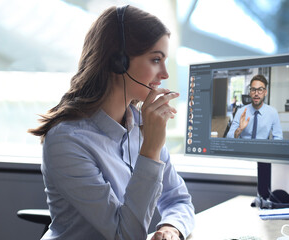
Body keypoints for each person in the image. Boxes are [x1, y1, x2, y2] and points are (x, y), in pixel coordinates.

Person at [28, 5, 194, 240]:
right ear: (119, 62)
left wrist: (170, 228)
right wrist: (151, 150)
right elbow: (125, 235)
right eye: (156, 59)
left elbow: (178, 200)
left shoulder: (141, 124)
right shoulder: (67, 140)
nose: (165, 74)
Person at [226, 74, 283, 140]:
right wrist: (239, 130)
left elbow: (278, 137)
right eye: (253, 89)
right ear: (250, 92)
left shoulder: (273, 113)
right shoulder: (241, 112)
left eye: (260, 89)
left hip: (263, 148)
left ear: (265, 92)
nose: (256, 93)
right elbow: (229, 137)